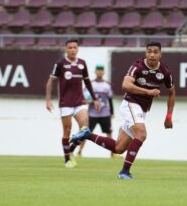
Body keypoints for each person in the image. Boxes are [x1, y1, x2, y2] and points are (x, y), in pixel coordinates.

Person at [69, 41, 176, 179]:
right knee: (141, 134)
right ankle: (124, 172)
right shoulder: (138, 66)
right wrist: (148, 92)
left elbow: (172, 92)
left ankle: (87, 135)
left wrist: (168, 116)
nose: (152, 55)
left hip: (142, 110)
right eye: (149, 51)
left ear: (160, 54)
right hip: (130, 103)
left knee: (118, 148)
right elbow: (125, 85)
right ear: (145, 53)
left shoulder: (165, 71)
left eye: (155, 52)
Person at [45, 38, 100, 168]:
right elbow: (50, 81)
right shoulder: (60, 63)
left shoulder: (82, 63)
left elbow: (87, 82)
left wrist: (95, 99)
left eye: (74, 47)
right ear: (66, 49)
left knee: (85, 128)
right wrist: (48, 99)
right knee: (67, 130)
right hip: (65, 103)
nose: (72, 50)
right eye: (70, 48)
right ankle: (67, 159)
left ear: (78, 49)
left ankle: (71, 149)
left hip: (80, 102)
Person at [77, 64, 119, 158]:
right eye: (98, 70)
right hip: (92, 114)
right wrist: (90, 102)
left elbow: (110, 99)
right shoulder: (90, 84)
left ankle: (113, 153)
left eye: (101, 70)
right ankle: (79, 152)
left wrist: (112, 112)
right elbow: (84, 98)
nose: (99, 72)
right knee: (85, 133)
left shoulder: (107, 85)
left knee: (109, 133)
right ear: (95, 72)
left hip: (105, 113)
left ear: (103, 72)